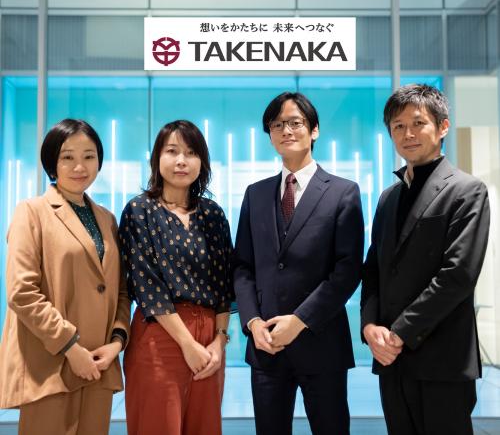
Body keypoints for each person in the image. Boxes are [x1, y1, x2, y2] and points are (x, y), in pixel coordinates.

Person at [361, 84, 490, 435]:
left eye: (418, 123)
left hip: (441, 359)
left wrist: (399, 333)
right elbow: (373, 270)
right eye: (398, 126)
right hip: (391, 359)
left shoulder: (466, 190)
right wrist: (369, 327)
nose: (408, 133)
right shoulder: (388, 197)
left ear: (443, 126)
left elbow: (458, 274)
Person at [233, 92, 364, 435]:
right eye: (277, 125)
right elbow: (243, 267)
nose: (286, 131)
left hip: (322, 342)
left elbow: (348, 269)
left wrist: (301, 320)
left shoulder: (343, 192)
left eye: (295, 122)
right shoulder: (255, 194)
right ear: (270, 134)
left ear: (314, 130)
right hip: (266, 345)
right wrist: (252, 322)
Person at [0, 119, 130, 435]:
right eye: (67, 157)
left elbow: (121, 291)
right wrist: (71, 347)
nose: (79, 166)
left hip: (98, 365)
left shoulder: (107, 219)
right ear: (52, 162)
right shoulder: (31, 212)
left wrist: (116, 342)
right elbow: (22, 292)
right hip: (51, 364)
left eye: (89, 156)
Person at [120, 120, 233, 435]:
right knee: (158, 425)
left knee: (205, 427)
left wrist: (219, 342)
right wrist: (187, 343)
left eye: (191, 152)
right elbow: (147, 285)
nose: (181, 160)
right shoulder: (139, 210)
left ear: (202, 162)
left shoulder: (213, 214)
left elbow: (224, 285)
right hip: (160, 333)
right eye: (172, 151)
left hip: (210, 336)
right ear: (157, 158)